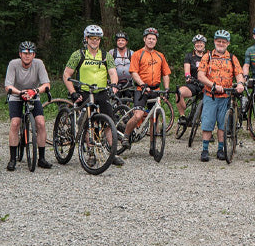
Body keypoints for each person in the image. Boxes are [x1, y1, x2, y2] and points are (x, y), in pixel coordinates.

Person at [63, 24, 123, 166]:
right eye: (92, 38)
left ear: (100, 40)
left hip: (101, 91)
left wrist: (114, 85)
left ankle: (112, 152)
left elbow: (113, 73)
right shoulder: (78, 55)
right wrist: (72, 92)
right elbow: (66, 74)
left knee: (109, 121)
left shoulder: (106, 56)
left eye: (97, 39)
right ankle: (90, 152)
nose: (94, 41)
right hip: (84, 91)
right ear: (86, 39)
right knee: (86, 121)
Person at [197, 30, 245, 162]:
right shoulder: (207, 57)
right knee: (207, 123)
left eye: (224, 42)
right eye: (219, 41)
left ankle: (220, 149)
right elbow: (200, 75)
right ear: (214, 42)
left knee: (223, 125)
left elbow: (239, 73)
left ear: (228, 43)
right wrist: (213, 85)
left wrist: (240, 84)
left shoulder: (232, 58)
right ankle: (205, 150)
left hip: (226, 96)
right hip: (211, 95)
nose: (221, 44)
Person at [4, 41, 52, 171]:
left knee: (41, 123)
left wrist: (34, 91)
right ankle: (12, 159)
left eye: (30, 53)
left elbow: (46, 84)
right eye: (24, 53)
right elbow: (8, 86)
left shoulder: (39, 64)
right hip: (16, 95)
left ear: (34, 55)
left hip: (33, 95)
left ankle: (41, 158)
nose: (27, 56)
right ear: (20, 54)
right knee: (15, 123)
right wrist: (20, 93)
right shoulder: (13, 64)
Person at [124, 27, 172, 156]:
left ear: (156, 41)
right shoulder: (137, 54)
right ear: (144, 39)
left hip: (155, 90)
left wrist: (167, 88)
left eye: (153, 39)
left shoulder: (160, 55)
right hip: (141, 89)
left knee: (154, 119)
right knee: (138, 115)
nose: (151, 41)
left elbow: (166, 73)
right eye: (149, 38)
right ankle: (126, 136)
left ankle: (152, 146)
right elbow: (134, 72)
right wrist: (142, 84)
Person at [178, 34, 207, 125]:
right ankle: (182, 116)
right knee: (179, 92)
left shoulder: (208, 56)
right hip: (193, 84)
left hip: (206, 84)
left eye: (201, 42)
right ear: (194, 44)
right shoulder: (189, 56)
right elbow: (187, 69)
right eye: (197, 43)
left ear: (204, 44)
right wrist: (188, 76)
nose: (199, 44)